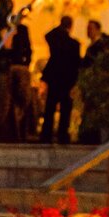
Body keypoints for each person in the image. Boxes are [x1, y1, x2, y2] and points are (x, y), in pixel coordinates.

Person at [40, 14, 81, 143]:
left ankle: (46, 136)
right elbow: (76, 64)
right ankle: (62, 136)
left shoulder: (56, 40)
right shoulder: (74, 44)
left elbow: (49, 35)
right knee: (64, 110)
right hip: (67, 79)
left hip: (55, 78)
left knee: (50, 108)